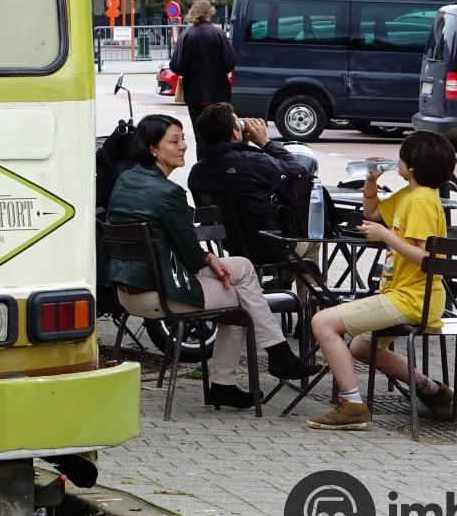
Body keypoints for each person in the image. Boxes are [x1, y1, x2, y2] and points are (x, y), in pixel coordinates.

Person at [104, 114, 323, 409]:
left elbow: (187, 252)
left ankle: (274, 357)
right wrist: (206, 258)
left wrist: (209, 258)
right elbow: (191, 256)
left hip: (127, 290)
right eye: (174, 141)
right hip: (161, 293)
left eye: (183, 138)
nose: (183, 146)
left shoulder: (127, 180)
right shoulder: (168, 194)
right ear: (153, 149)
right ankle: (238, 376)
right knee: (243, 296)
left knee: (242, 267)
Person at [306, 130, 457, 430]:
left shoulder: (422, 202)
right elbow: (373, 212)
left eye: (401, 157)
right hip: (403, 295)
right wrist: (371, 182)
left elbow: (427, 259)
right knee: (360, 348)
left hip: (412, 298)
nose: (396, 160)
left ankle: (352, 404)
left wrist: (386, 236)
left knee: (323, 322)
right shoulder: (411, 195)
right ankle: (429, 388)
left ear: (411, 166)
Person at [186, 102, 315, 266]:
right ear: (235, 133)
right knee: (312, 243)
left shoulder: (197, 173)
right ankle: (303, 283)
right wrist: (266, 143)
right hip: (271, 246)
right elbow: (299, 173)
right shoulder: (255, 162)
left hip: (231, 247)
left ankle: (280, 280)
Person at [170, 0, 235, 138]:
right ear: (209, 13)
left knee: (200, 136)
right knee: (221, 135)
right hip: (218, 93)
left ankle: (202, 152)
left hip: (194, 94)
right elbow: (230, 62)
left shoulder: (186, 35)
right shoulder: (218, 33)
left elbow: (176, 66)